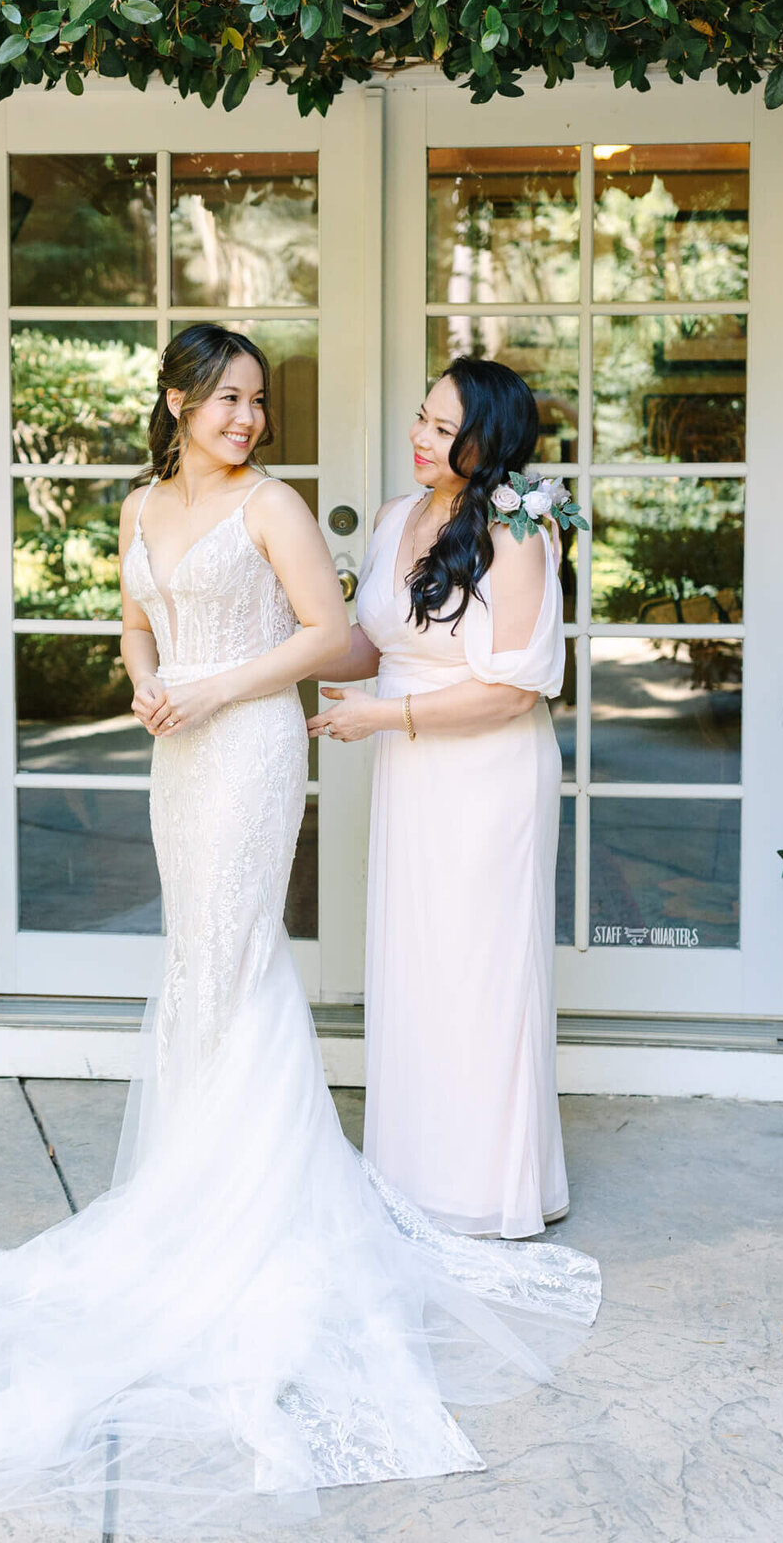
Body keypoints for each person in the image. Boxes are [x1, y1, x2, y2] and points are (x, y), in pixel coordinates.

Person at [0, 329, 599, 1536]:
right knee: (213, 962)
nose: (247, 417)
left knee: (247, 955)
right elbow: (142, 616)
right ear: (176, 402)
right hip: (189, 754)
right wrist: (149, 675)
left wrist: (236, 688)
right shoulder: (153, 506)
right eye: (227, 397)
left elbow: (354, 644)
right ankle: (203, 1177)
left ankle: (277, 1197)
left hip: (268, 747)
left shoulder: (281, 506)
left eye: (258, 400)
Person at [311, 358, 570, 1240]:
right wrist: (283, 650)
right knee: (417, 966)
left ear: (487, 440)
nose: (421, 438)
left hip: (489, 774)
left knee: (480, 970)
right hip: (414, 772)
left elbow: (514, 689)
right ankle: (414, 1178)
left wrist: (386, 716)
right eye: (421, 419)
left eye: (441, 427)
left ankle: (488, 1189)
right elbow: (370, 642)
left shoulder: (520, 530)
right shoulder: (394, 518)